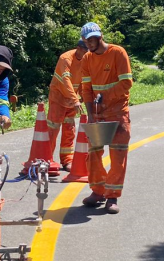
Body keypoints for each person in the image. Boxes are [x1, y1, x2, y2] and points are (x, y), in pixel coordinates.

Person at [79, 22, 132, 214]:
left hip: (118, 113)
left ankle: (112, 196)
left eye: (93, 38)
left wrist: (105, 97)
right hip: (98, 114)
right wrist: (90, 114)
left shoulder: (118, 53)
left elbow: (126, 83)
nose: (91, 42)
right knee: (93, 154)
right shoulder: (86, 59)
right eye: (87, 40)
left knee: (118, 155)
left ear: (100, 36)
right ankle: (98, 191)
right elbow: (86, 89)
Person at [47, 39, 88, 170]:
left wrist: (83, 95)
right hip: (58, 97)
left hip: (71, 99)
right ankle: (47, 159)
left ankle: (67, 160)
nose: (87, 52)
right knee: (53, 128)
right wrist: (75, 99)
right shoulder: (65, 58)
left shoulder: (87, 59)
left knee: (69, 129)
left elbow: (84, 79)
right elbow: (65, 80)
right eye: (84, 49)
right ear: (79, 48)